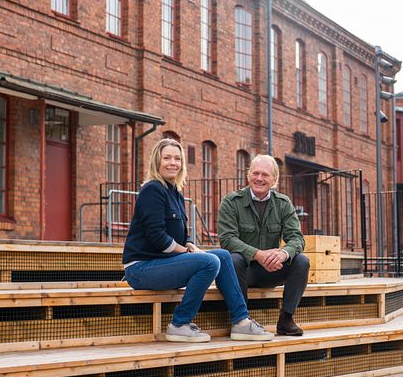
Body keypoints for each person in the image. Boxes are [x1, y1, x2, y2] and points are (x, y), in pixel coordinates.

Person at [122, 138, 273, 343]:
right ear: (157, 160)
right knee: (209, 262)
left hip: (163, 263)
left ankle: (241, 321)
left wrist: (190, 243)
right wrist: (185, 252)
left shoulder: (174, 191)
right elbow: (157, 237)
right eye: (167, 158)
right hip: (141, 269)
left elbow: (180, 232)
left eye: (177, 158)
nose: (172, 163)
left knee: (223, 255)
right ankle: (179, 324)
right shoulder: (153, 189)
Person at [218, 155, 309, 336]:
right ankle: (241, 319)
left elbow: (297, 239)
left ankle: (286, 320)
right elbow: (227, 239)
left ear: (274, 180)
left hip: (271, 270)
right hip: (243, 271)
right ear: (248, 175)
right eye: (255, 173)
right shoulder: (231, 202)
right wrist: (258, 254)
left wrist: (283, 254)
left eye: (265, 175)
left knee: (301, 261)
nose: (259, 178)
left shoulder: (283, 203)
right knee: (233, 259)